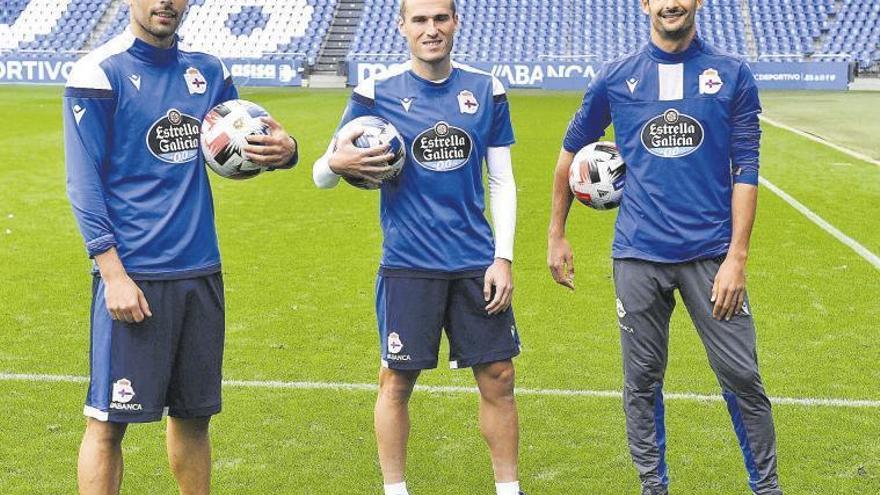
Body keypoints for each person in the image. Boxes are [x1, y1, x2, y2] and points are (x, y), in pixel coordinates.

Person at [547, 1, 782, 494]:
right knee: (642, 380)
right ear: (645, 3)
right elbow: (571, 150)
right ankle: (654, 486)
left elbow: (747, 169)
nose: (671, 3)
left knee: (742, 376)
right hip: (638, 257)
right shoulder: (616, 78)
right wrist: (556, 232)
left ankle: (767, 487)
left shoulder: (731, 75)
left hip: (712, 257)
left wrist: (737, 257)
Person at [63, 0, 297, 493]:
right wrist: (113, 275)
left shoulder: (209, 71)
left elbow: (241, 143)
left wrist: (284, 152)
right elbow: (83, 184)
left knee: (194, 417)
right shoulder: (99, 72)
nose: (165, 3)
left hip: (200, 271)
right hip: (135, 276)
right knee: (107, 422)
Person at [312, 1, 523, 494]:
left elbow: (503, 180)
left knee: (498, 376)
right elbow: (322, 172)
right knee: (397, 380)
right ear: (402, 26)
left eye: (440, 18)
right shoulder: (376, 92)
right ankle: (395, 489)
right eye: (421, 20)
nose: (432, 29)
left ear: (455, 22)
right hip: (408, 264)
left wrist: (503, 256)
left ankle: (509, 489)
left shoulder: (486, 88)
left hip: (475, 262)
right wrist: (338, 165)